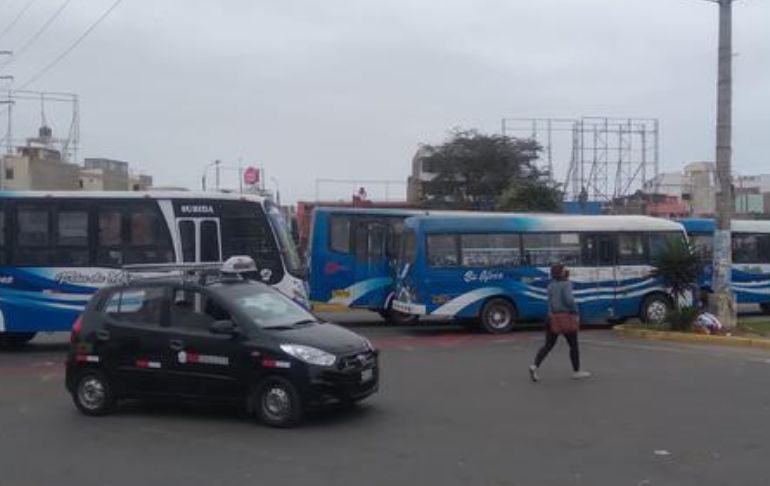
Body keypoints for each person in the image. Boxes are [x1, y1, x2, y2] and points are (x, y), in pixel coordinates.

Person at [529, 263, 591, 382]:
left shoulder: (550, 286)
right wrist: (575, 311)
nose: (566, 271)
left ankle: (534, 366)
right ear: (561, 273)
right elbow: (569, 299)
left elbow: (550, 302)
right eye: (564, 269)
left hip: (552, 318)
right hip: (566, 318)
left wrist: (551, 315)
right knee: (573, 345)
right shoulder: (566, 284)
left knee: (548, 345)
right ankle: (576, 371)